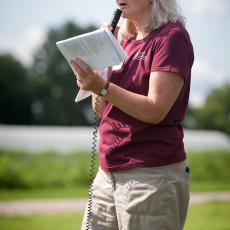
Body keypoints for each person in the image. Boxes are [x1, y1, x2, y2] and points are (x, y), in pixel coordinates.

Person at [70, 0, 194, 229]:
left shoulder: (172, 37)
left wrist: (101, 86)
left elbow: (156, 109)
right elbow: (100, 109)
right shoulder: (122, 41)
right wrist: (102, 63)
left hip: (151, 175)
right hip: (107, 174)